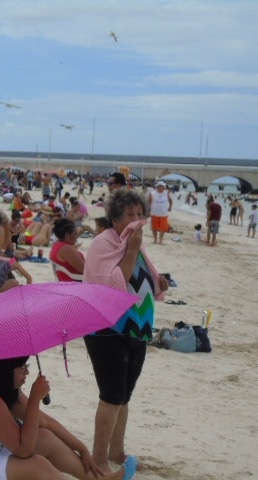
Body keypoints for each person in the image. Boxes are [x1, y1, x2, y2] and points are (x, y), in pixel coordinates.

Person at [0, 356, 135, 480]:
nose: (26, 373)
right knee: (36, 465)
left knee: (43, 437)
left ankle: (96, 479)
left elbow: (44, 422)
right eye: (22, 367)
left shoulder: (1, 385)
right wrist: (35, 399)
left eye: (27, 366)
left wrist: (82, 447)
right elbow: (23, 450)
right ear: (5, 369)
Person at [82, 188, 168, 476]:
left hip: (137, 329)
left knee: (125, 396)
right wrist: (131, 249)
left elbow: (143, 274)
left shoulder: (134, 242)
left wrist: (159, 282)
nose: (137, 219)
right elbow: (115, 283)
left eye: (140, 214)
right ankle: (98, 458)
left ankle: (117, 450)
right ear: (115, 218)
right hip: (107, 330)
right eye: (130, 214)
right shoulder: (102, 244)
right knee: (111, 395)